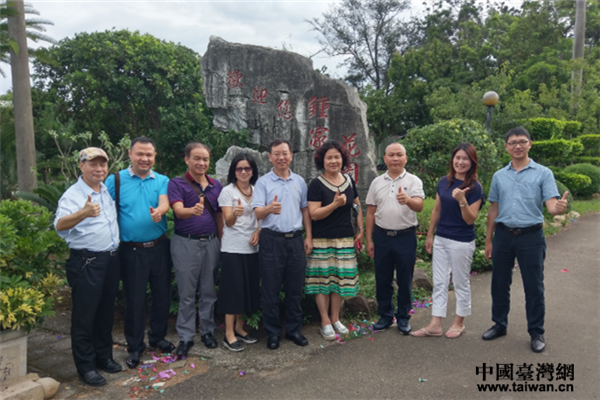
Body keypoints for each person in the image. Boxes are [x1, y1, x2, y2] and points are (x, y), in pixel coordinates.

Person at [483, 127, 568, 353]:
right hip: (503, 235)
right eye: (512, 143)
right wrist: (488, 240)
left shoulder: (543, 173)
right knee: (499, 283)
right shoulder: (499, 176)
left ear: (530, 144)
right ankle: (499, 324)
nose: (517, 146)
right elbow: (493, 209)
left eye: (522, 141)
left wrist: (558, 208)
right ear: (506, 147)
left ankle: (536, 332)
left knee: (534, 285)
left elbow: (551, 205)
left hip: (531, 237)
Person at [54, 148, 122, 386]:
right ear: (81, 166)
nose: (99, 169)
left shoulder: (104, 190)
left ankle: (104, 357)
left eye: (102, 164)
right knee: (85, 316)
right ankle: (86, 367)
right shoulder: (73, 195)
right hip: (86, 262)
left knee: (105, 313)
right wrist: (83, 213)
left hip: (110, 260)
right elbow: (60, 225)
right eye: (93, 164)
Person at [105, 137, 175, 368]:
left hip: (159, 246)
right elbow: (104, 209)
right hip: (131, 250)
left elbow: (164, 202)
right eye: (140, 154)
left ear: (155, 156)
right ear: (130, 154)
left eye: (149, 155)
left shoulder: (162, 180)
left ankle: (158, 337)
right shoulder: (115, 180)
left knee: (162, 295)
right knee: (134, 300)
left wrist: (160, 212)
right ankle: (135, 347)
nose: (144, 159)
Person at [411, 143, 484, 338]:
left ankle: (459, 322)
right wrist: (430, 235)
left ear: (472, 162)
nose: (460, 162)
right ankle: (435, 324)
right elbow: (437, 209)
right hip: (441, 238)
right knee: (439, 281)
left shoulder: (475, 187)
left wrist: (462, 200)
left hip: (462, 241)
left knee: (460, 282)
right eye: (457, 158)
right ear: (452, 160)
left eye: (465, 159)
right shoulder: (444, 181)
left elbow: (470, 219)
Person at [252, 139, 313, 350]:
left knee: (295, 288)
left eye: (285, 153)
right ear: (270, 157)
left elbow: (305, 210)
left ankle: (294, 330)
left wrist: (308, 236)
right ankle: (273, 333)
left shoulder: (299, 181)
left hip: (295, 240)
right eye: (276, 154)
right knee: (270, 289)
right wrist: (269, 208)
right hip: (271, 241)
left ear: (291, 155)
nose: (281, 157)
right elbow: (257, 213)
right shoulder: (263, 183)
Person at [168, 143, 223, 355]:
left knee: (209, 290)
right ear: (187, 159)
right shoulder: (177, 183)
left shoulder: (216, 185)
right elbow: (178, 211)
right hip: (185, 243)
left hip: (211, 242)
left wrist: (221, 241)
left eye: (205, 159)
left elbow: (219, 215)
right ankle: (186, 336)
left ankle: (207, 331)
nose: (201, 163)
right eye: (196, 158)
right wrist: (193, 210)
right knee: (187, 292)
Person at [365, 142, 424, 335]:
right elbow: (370, 212)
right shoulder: (377, 182)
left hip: (405, 236)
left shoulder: (414, 181)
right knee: (382, 278)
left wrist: (408, 200)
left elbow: (419, 206)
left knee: (405, 279)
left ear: (405, 158)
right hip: (382, 236)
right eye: (391, 155)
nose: (395, 158)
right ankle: (385, 315)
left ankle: (403, 317)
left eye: (399, 155)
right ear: (385, 158)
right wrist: (369, 240)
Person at [305, 140, 362, 340]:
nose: (333, 161)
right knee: (322, 281)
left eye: (337, 157)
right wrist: (335, 205)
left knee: (339, 280)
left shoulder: (348, 180)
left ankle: (335, 318)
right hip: (322, 240)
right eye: (329, 157)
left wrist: (360, 228)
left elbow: (357, 205)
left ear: (342, 159)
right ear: (322, 160)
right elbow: (314, 214)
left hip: (345, 238)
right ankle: (325, 321)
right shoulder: (316, 184)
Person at [217, 153, 261, 352]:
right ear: (233, 171)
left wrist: (258, 232)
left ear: (253, 171)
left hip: (251, 247)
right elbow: (228, 222)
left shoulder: (257, 190)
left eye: (247, 168)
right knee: (233, 290)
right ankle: (229, 334)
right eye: (239, 168)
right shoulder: (228, 192)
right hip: (232, 248)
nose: (243, 172)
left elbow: (261, 218)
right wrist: (234, 215)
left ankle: (240, 328)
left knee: (246, 290)